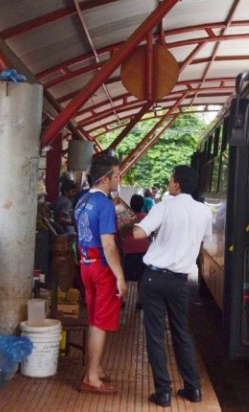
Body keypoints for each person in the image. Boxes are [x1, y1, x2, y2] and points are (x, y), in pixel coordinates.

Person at [133, 166, 213, 407]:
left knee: (155, 335)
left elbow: (138, 234)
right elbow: (204, 242)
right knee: (181, 333)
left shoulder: (164, 206)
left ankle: (164, 392)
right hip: (179, 281)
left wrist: (134, 225)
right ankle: (193, 388)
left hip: (154, 279)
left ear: (177, 184)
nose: (169, 184)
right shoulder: (204, 211)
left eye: (170, 180)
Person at [74, 154, 128, 394]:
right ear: (105, 178)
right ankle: (92, 377)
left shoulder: (82, 200)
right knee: (100, 322)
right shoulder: (105, 204)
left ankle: (96, 368)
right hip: (102, 268)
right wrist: (120, 276)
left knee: (94, 317)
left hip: (85, 263)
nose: (119, 179)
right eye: (117, 175)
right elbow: (108, 245)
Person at [120, 194, 149, 309]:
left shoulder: (126, 216)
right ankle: (140, 301)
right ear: (142, 205)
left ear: (131, 204)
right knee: (141, 277)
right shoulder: (146, 217)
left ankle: (121, 300)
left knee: (124, 276)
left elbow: (120, 232)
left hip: (127, 250)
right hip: (142, 250)